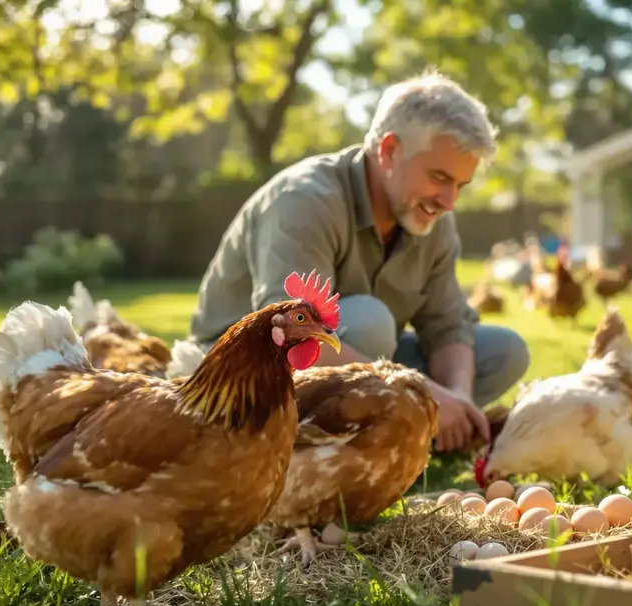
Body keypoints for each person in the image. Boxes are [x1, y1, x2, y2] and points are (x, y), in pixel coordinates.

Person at [185, 71, 530, 452]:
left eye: (460, 186)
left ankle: (416, 432)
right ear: (389, 150)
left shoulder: (434, 220)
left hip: (360, 366)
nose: (449, 202)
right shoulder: (304, 200)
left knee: (504, 352)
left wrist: (457, 398)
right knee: (370, 321)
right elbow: (287, 334)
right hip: (245, 376)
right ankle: (333, 446)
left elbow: (448, 327)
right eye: (438, 177)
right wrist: (425, 393)